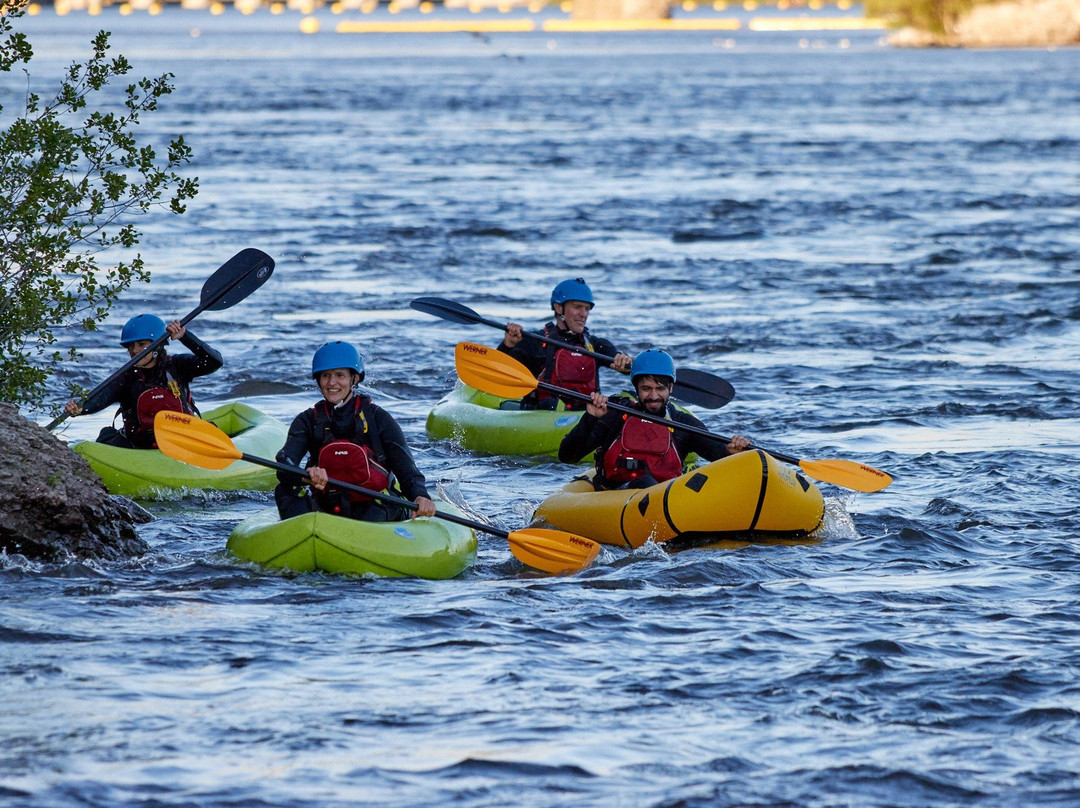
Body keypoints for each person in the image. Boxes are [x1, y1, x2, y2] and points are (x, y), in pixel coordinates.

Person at [274, 341, 437, 523]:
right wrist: (305, 477)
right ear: (318, 379)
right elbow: (285, 465)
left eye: (340, 375)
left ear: (355, 378)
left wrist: (420, 496)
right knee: (284, 489)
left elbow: (407, 471)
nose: (332, 382)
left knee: (374, 511)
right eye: (325, 375)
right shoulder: (307, 420)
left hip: (375, 503)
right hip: (328, 504)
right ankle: (301, 535)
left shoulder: (378, 418)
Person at [558, 348, 751, 490]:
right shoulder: (615, 414)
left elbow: (717, 455)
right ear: (636, 388)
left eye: (660, 389)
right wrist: (590, 419)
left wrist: (733, 451)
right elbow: (567, 456)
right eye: (646, 389)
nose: (653, 396)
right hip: (616, 497)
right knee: (645, 482)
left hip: (666, 498)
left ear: (671, 389)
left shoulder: (682, 423)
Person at [63, 314, 223, 449]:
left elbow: (214, 361)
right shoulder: (126, 377)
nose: (134, 351)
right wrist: (81, 408)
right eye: (130, 346)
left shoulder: (178, 366)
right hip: (141, 445)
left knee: (211, 429)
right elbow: (103, 397)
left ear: (158, 346)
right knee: (107, 435)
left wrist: (185, 337)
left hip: (181, 440)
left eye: (141, 344)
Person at [497, 277, 632, 410]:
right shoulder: (535, 341)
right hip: (543, 413)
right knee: (551, 404)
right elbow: (500, 372)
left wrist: (623, 361)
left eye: (587, 309)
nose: (583, 314)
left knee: (628, 397)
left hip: (584, 413)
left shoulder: (594, 345)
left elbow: (620, 361)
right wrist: (508, 344)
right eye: (577, 307)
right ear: (558, 308)